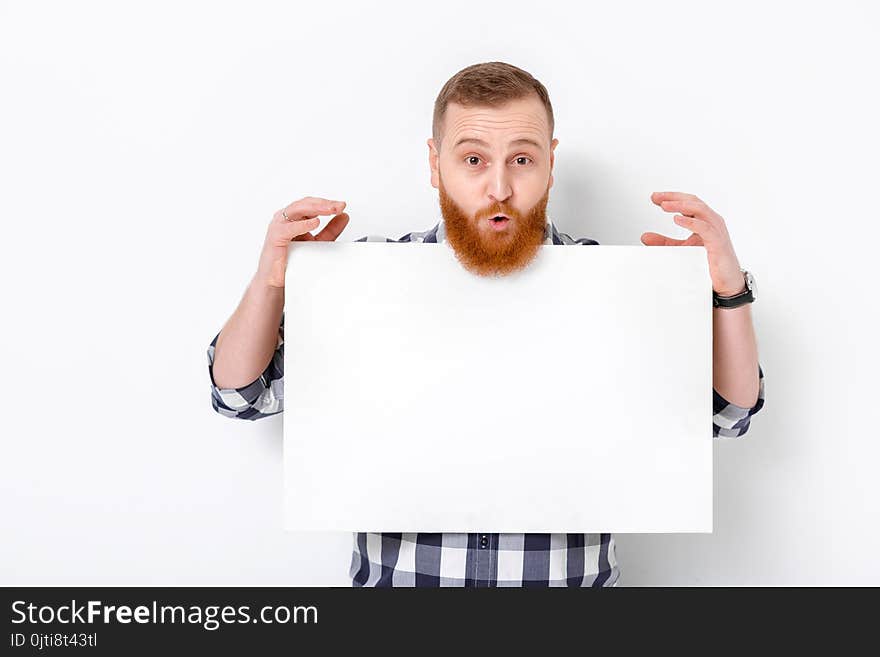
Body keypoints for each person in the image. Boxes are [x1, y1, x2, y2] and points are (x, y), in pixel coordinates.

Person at [206, 61, 766, 587]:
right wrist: (270, 282)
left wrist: (728, 292)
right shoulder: (362, 281)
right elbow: (240, 395)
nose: (498, 187)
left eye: (521, 159)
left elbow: (728, 414)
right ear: (435, 164)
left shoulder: (619, 286)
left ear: (550, 162)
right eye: (473, 159)